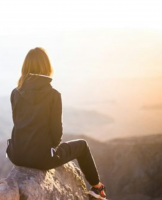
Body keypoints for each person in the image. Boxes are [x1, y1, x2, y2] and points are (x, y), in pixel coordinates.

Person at [6, 47, 107, 200]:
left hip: (16, 155)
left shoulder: (15, 92)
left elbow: (18, 123)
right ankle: (96, 188)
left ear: (25, 67)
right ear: (47, 67)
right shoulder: (53, 95)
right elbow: (56, 136)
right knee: (83, 146)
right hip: (42, 159)